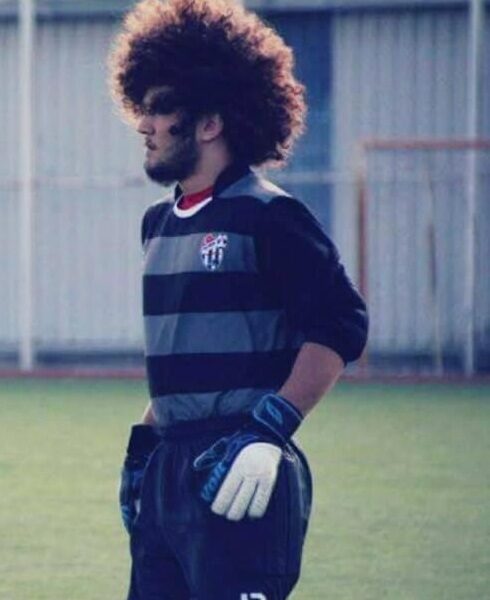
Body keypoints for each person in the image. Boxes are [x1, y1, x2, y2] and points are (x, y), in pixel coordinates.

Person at [108, 1, 368, 598]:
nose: (143, 125)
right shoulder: (157, 225)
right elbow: (187, 358)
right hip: (170, 473)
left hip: (240, 465)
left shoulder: (271, 215)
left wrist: (269, 432)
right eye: (141, 107)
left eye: (159, 108)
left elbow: (340, 325)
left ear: (209, 123)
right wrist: (145, 449)